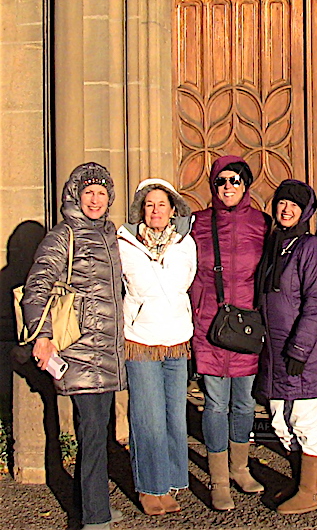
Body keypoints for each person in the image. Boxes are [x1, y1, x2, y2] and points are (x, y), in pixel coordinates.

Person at [23, 162, 126, 530]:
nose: (95, 200)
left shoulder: (109, 233)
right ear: (76, 196)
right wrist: (43, 334)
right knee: (94, 431)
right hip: (81, 350)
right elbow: (37, 287)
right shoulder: (63, 235)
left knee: (96, 430)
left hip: (106, 351)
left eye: (101, 193)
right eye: (88, 193)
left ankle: (89, 504)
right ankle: (95, 518)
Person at [190, 155, 269, 511]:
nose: (228, 187)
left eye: (235, 180)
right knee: (216, 403)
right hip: (210, 324)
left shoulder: (262, 224)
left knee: (244, 403)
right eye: (221, 181)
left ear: (246, 184)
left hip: (247, 327)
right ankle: (218, 479)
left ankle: (240, 467)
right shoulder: (197, 224)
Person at [256, 179, 317, 514]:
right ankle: (298, 481)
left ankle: (312, 491)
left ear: (305, 210)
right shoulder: (275, 243)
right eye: (281, 202)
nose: (285, 209)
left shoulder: (310, 247)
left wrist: (299, 350)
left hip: (303, 352)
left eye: (293, 204)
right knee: (279, 420)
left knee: (304, 421)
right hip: (274, 351)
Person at [117, 179, 197, 516]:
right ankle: (150, 486)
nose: (155, 211)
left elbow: (184, 283)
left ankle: (170, 480)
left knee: (174, 417)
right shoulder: (125, 243)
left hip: (177, 339)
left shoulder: (185, 243)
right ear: (140, 210)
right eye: (149, 205)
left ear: (173, 209)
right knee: (148, 416)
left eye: (161, 204)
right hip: (142, 339)